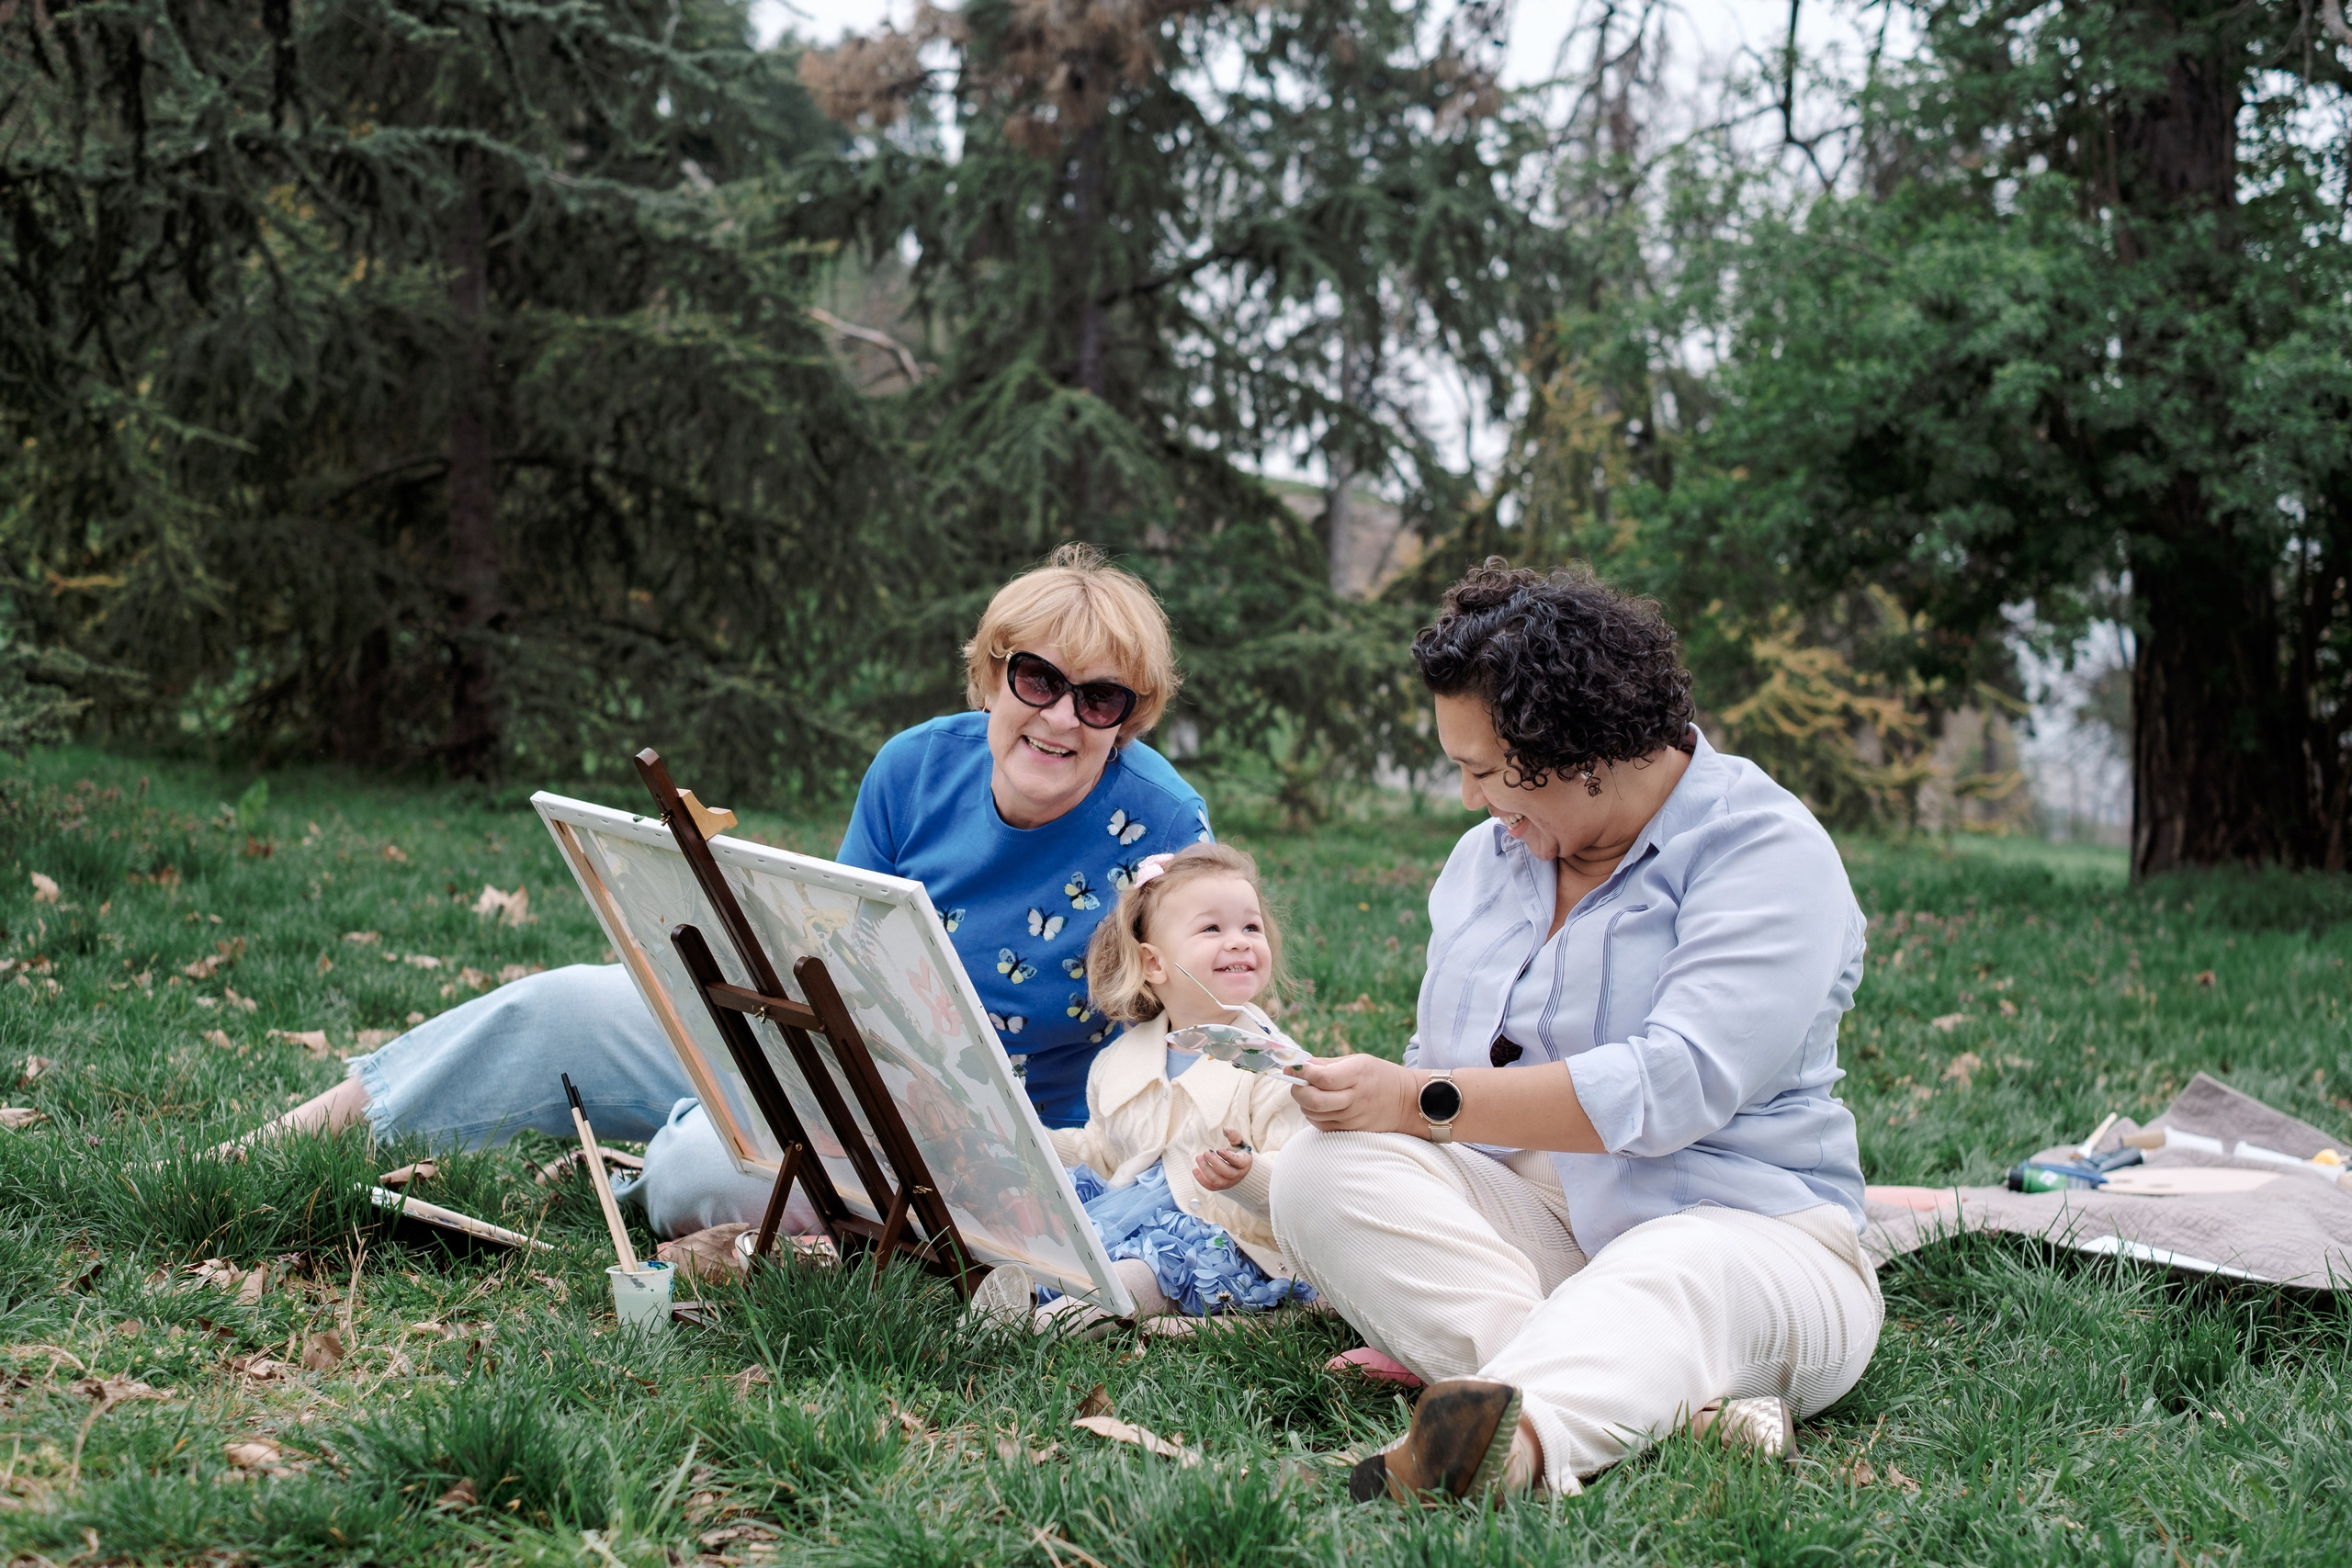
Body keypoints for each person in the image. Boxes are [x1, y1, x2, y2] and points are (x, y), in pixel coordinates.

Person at [239, 545, 1210, 1237]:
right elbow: (829, 951)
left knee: (691, 1176)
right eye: (1037, 680)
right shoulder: (915, 768)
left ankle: (673, 1152)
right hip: (836, 1054)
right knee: (564, 1004)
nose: (1061, 718)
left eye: (1100, 699)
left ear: (1130, 718)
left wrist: (1179, 962)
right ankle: (277, 1146)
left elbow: (1209, 1029)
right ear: (992, 677)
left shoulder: (1162, 820)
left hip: (998, 1139)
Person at [1271, 560, 1883, 1505]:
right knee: (1318, 1171)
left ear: (1582, 751)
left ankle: (1513, 1446)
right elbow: (1451, 1074)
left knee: (1671, 1267)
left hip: (1750, 1237)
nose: (1473, 801)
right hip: (1546, 1228)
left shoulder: (1764, 851)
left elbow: (1670, 1087)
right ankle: (1648, 1394)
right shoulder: (1486, 862)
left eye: (1484, 771)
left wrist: (1418, 1099)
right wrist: (1368, 1104)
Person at [972, 843, 1314, 1335]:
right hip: (1128, 1209)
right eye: (1212, 928)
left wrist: (1249, 1173)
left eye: (1251, 927)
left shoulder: (1275, 1068)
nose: (1239, 941)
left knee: (1142, 1271)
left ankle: (1050, 1323)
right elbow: (1104, 1150)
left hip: (1225, 1240)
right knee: (1055, 1208)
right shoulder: (1120, 1064)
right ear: (1154, 964)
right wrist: (1039, 1145)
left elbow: (1303, 1172)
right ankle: (1020, 1288)